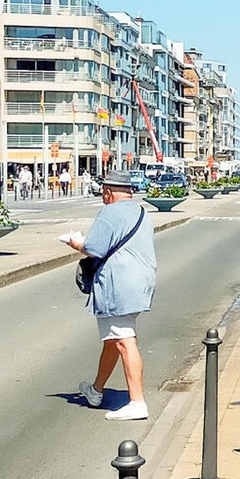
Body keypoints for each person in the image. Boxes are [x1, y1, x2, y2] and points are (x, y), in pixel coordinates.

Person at [67, 171, 158, 421]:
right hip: (142, 281)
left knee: (124, 341)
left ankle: (137, 402)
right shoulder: (142, 212)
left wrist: (76, 243)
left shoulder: (109, 213)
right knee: (113, 338)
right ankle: (96, 391)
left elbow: (93, 248)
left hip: (118, 283)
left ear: (108, 192)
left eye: (102, 193)